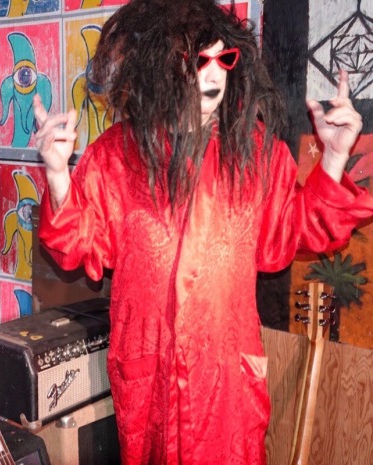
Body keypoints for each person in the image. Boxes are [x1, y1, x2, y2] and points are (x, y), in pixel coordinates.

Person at [33, 1, 373, 464]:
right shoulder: (116, 156)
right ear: (161, 66)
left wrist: (332, 160)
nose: (215, 73)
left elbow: (295, 230)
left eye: (224, 58)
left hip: (225, 387)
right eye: (199, 60)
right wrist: (57, 175)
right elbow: (74, 246)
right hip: (148, 377)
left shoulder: (255, 153)